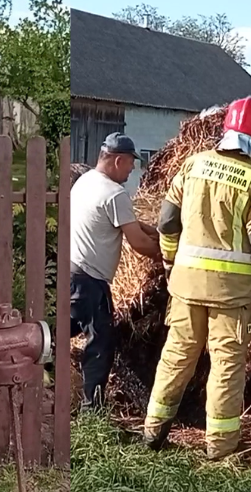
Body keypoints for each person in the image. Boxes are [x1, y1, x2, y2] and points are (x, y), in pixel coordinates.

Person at [143, 97, 251, 460]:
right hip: (231, 294)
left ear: (225, 130)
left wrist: (169, 261)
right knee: (225, 366)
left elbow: (166, 223)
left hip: (185, 286)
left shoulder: (192, 165)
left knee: (176, 355)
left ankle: (152, 430)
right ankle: (221, 447)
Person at [71, 133, 160, 410]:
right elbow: (139, 244)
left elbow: (123, 223)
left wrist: (150, 229)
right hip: (90, 280)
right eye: (131, 163)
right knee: (100, 343)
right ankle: (91, 410)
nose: (133, 168)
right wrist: (169, 255)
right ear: (118, 159)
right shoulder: (114, 193)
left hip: (73, 272)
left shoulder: (85, 181)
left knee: (68, 327)